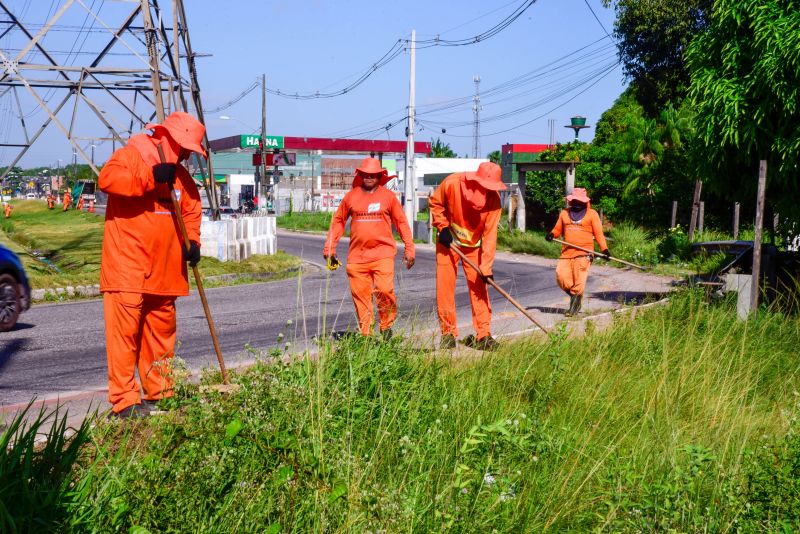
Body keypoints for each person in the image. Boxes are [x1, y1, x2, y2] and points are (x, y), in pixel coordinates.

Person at [98, 110, 204, 418]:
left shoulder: (182, 177)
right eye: (185, 147)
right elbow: (108, 179)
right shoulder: (132, 156)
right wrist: (150, 177)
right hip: (128, 269)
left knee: (161, 336)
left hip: (165, 273)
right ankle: (125, 401)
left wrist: (194, 242)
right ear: (171, 138)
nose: (186, 154)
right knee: (124, 339)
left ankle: (161, 392)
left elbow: (192, 210)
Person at [323, 157, 415, 339]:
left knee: (384, 290)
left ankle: (386, 326)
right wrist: (330, 248)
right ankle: (366, 335)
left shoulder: (389, 198)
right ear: (360, 175)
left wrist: (409, 249)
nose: (369, 177)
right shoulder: (351, 196)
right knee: (361, 297)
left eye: (373, 175)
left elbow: (402, 223)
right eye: (365, 174)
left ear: (380, 176)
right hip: (357, 258)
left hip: (383, 254)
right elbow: (338, 222)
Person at [430, 161, 505, 351]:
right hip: (449, 243)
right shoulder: (452, 183)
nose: (487, 190)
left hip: (474, 247)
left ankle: (483, 335)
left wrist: (486, 268)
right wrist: (442, 226)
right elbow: (436, 203)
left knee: (479, 288)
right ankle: (448, 334)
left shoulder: (494, 200)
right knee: (445, 288)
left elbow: (490, 235)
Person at [546, 187, 609, 317]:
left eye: (580, 201)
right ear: (571, 201)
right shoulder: (564, 213)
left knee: (579, 279)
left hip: (584, 253)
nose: (577, 204)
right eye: (575, 201)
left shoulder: (592, 214)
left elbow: (599, 234)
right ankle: (577, 296)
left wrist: (605, 249)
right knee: (561, 276)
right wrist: (552, 234)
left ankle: (574, 307)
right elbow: (557, 229)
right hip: (567, 252)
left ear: (585, 202)